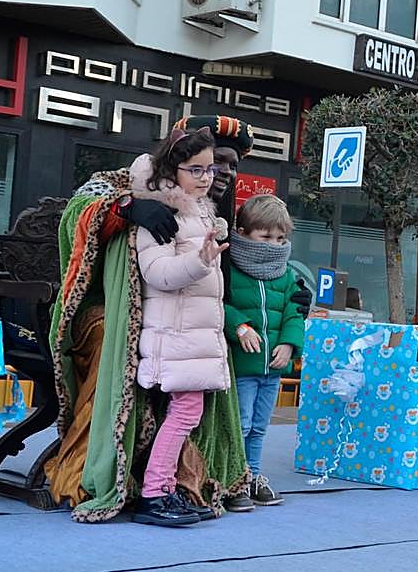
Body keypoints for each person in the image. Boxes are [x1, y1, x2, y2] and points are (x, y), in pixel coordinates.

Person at [46, 115, 308, 522]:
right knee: (126, 361)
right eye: (215, 162)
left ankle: (209, 478)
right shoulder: (131, 182)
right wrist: (127, 208)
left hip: (197, 327)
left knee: (208, 403)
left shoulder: (210, 208)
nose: (222, 173)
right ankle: (122, 478)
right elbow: (81, 210)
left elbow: (245, 266)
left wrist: (292, 292)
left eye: (229, 165)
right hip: (121, 315)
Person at [128, 126, 233, 526]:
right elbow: (158, 273)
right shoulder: (162, 210)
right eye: (196, 169)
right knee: (186, 412)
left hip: (192, 335)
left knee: (186, 413)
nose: (207, 178)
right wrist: (200, 261)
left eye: (210, 169)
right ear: (173, 170)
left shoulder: (199, 210)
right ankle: (155, 494)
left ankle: (164, 490)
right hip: (175, 334)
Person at [224, 194, 303, 507]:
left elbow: (293, 312)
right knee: (241, 424)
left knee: (258, 427)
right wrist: (239, 326)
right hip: (243, 366)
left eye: (280, 238)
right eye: (266, 237)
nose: (274, 244)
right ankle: (235, 479)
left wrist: (289, 344)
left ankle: (253, 476)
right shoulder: (231, 268)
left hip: (272, 367)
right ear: (243, 233)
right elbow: (218, 303)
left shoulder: (286, 273)